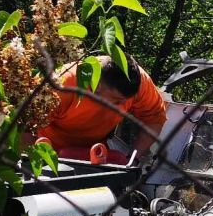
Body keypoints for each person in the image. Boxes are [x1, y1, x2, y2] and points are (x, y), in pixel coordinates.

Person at [36, 54, 167, 156]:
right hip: (47, 151)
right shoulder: (63, 83)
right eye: (117, 100)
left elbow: (155, 118)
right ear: (97, 86)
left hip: (95, 154)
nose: (123, 105)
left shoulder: (140, 82)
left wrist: (133, 159)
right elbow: (27, 127)